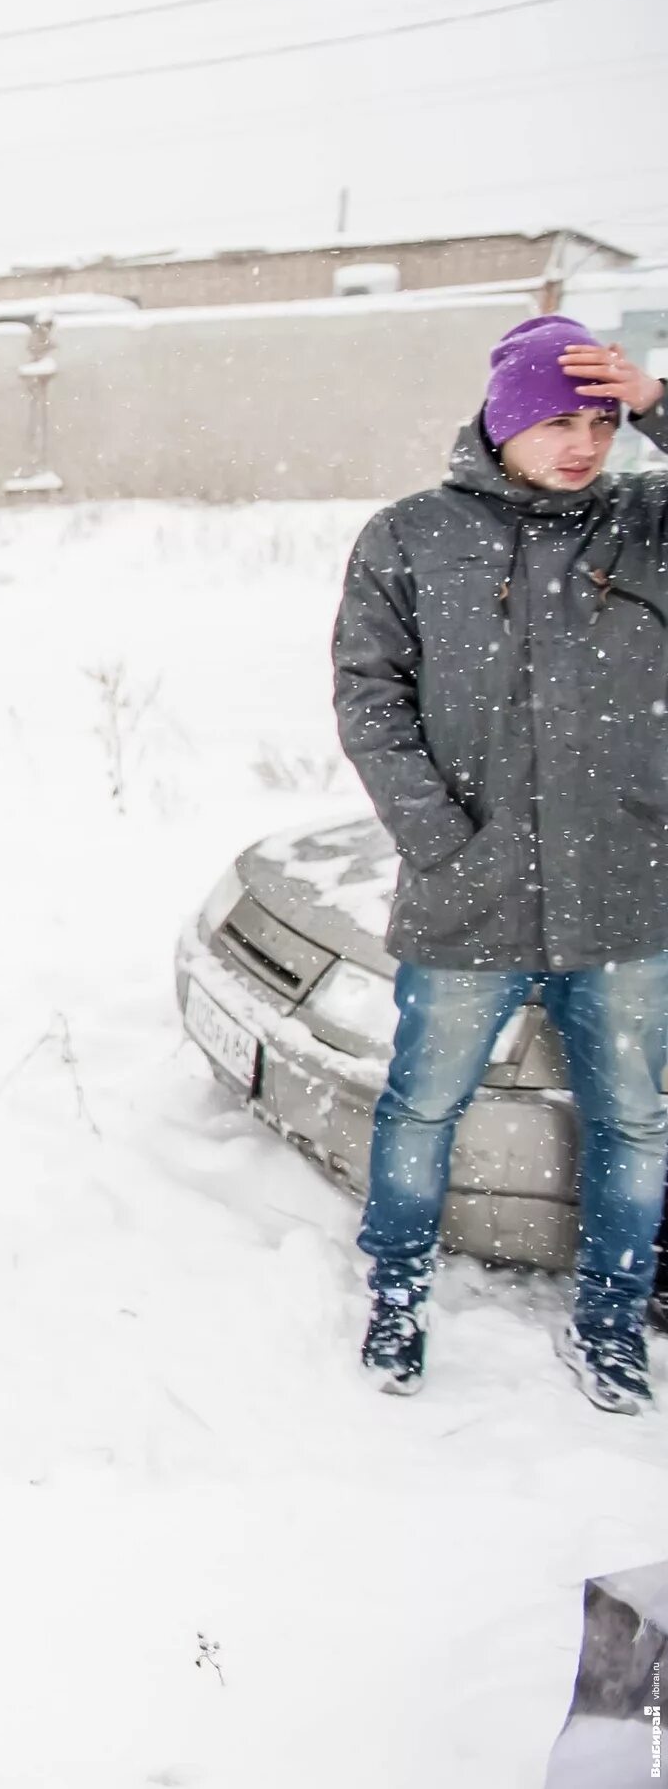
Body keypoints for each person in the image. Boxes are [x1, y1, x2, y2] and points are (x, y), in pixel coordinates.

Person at [335, 315, 668, 1411]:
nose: (587, 441)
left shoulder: (647, 524)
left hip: (626, 890)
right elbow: (372, 701)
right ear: (506, 416)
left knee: (634, 1116)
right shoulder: (412, 535)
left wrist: (662, 404)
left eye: (606, 420)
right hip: (470, 897)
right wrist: (443, 846)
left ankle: (615, 1316)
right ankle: (397, 1288)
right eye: (562, 417)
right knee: (424, 1106)